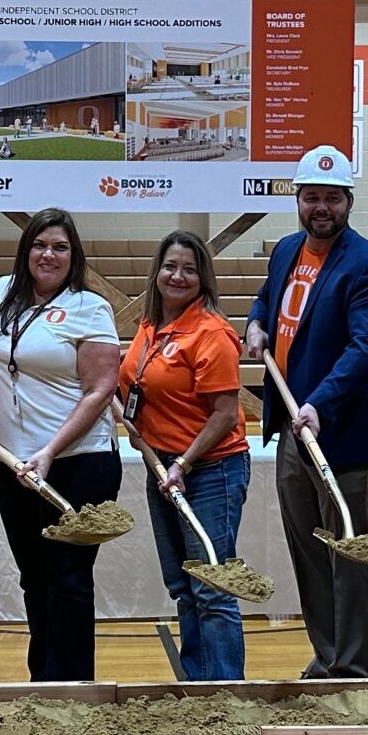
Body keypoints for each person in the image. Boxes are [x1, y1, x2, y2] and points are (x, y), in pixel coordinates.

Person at [0, 209, 124, 683]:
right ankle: (43, 682)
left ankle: (72, 689)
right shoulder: (6, 290)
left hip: (76, 464)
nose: (48, 255)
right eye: (40, 245)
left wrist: (48, 451)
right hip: (12, 463)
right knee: (34, 579)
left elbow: (101, 389)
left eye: (60, 247)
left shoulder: (90, 308)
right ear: (26, 250)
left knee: (67, 579)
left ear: (74, 255)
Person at [243, 145, 368, 680]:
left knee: (349, 556)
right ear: (298, 200)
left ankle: (352, 669)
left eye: (332, 198)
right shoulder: (286, 249)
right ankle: (328, 655)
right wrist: (256, 323)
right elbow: (266, 299)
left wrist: (319, 404)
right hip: (291, 430)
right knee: (309, 552)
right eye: (312, 197)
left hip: (342, 432)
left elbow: (365, 347)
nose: (321, 208)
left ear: (349, 202)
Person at [121, 231, 250, 681]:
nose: (178, 276)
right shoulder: (149, 325)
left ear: (203, 279)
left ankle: (226, 693)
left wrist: (184, 464)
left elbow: (224, 414)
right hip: (163, 468)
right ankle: (199, 682)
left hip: (208, 472)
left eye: (189, 270)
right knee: (183, 586)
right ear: (157, 271)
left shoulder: (210, 332)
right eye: (170, 266)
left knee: (213, 585)